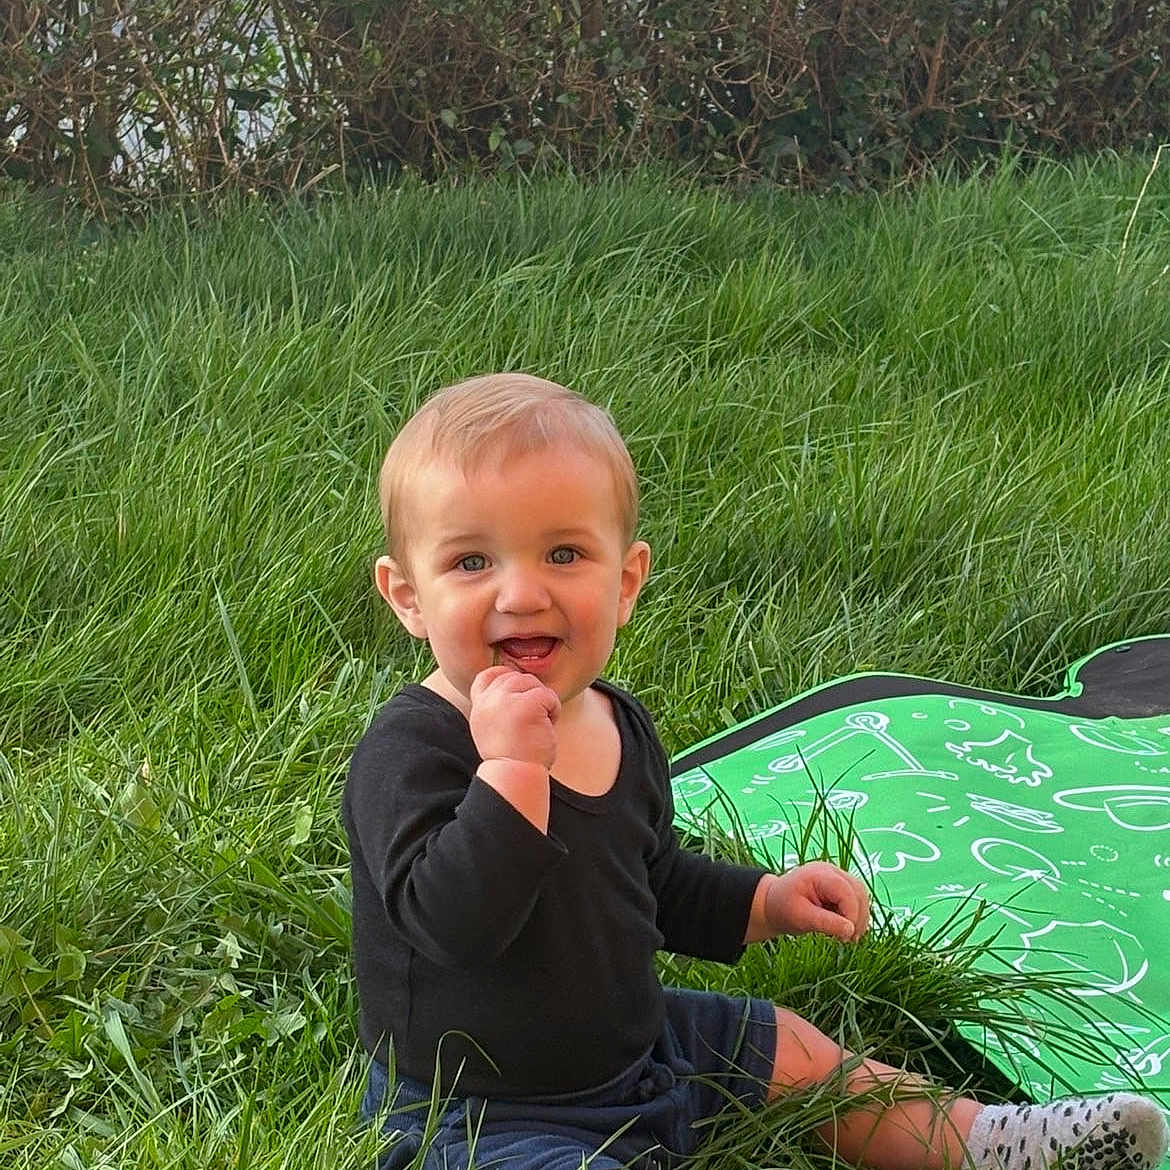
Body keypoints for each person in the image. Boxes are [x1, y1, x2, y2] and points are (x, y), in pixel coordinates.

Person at [344, 373, 1169, 1170]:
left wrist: (764, 901)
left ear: (625, 582)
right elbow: (452, 926)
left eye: (563, 553)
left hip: (633, 1045)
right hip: (479, 1106)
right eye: (471, 563)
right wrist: (514, 768)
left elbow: (649, 881)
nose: (522, 595)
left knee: (792, 1046)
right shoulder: (413, 749)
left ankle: (989, 1142)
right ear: (408, 594)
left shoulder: (616, 723)